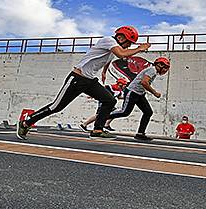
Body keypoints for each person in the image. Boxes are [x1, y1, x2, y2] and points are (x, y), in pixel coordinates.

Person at [16, 26, 151, 140]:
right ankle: (27, 122)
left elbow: (108, 58)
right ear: (121, 38)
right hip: (77, 78)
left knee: (109, 100)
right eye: (129, 42)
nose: (129, 46)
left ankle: (97, 129)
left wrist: (104, 72)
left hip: (90, 81)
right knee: (56, 107)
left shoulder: (112, 48)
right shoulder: (108, 41)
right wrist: (139, 48)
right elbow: (122, 54)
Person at [103, 57, 171, 141]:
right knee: (124, 112)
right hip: (132, 92)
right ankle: (102, 117)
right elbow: (144, 82)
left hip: (140, 94)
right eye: (164, 67)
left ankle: (140, 134)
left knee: (148, 112)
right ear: (159, 65)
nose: (165, 70)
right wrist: (154, 92)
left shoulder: (154, 71)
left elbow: (143, 83)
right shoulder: (152, 70)